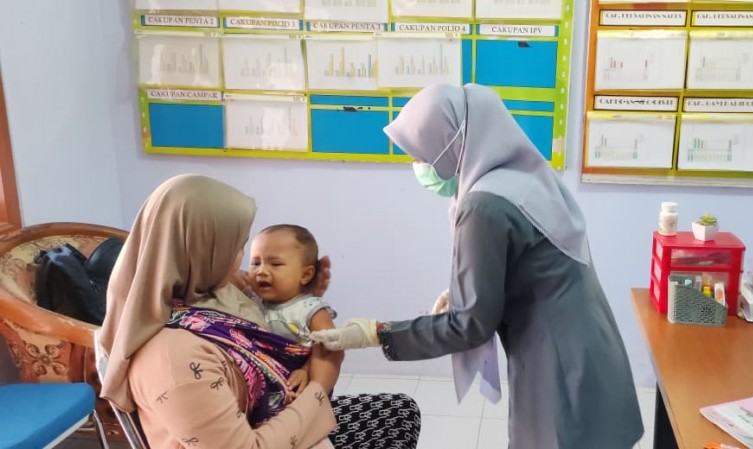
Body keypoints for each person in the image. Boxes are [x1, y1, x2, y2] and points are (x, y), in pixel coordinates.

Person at [311, 84, 644, 449]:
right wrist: (467, 287)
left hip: (560, 368)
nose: (417, 166)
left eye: (420, 155)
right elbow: (537, 262)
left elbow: (468, 325)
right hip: (591, 349)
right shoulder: (522, 176)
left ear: (449, 145)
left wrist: (377, 333)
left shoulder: (483, 204)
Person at [97, 174, 420, 449]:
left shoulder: (202, 295)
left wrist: (302, 297)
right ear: (203, 252)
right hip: (263, 434)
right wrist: (321, 384)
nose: (242, 262)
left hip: (271, 411)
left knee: (398, 411)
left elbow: (265, 308)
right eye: (236, 246)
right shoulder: (171, 360)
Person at [248, 224, 336, 396]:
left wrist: (307, 370)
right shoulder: (251, 302)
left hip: (298, 387)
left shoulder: (311, 310)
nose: (261, 271)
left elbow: (328, 349)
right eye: (255, 263)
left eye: (275, 264)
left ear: (305, 275)